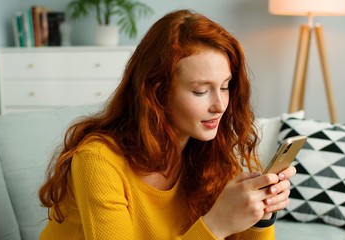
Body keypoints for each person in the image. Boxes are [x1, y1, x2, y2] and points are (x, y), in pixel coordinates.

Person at [38, 9, 295, 240]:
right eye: (200, 91)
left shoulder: (207, 155)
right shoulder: (97, 161)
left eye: (225, 87)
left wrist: (262, 214)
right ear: (157, 92)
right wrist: (215, 225)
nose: (220, 105)